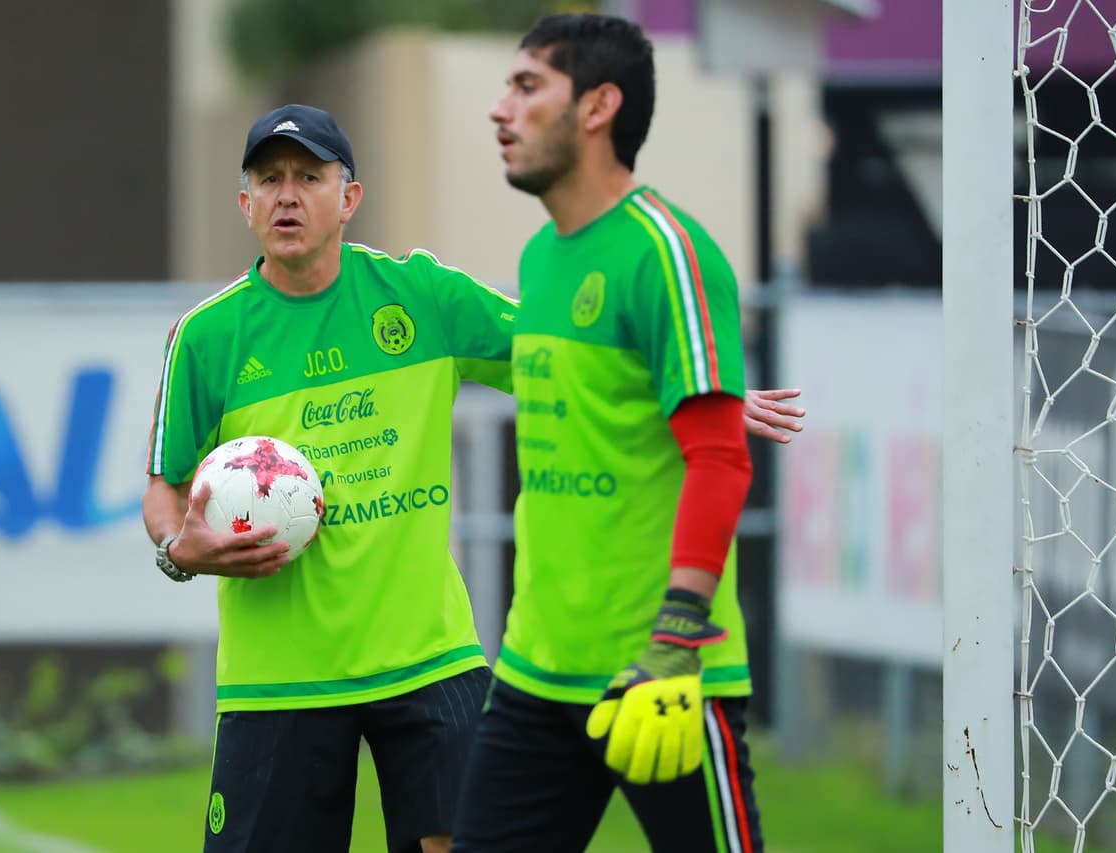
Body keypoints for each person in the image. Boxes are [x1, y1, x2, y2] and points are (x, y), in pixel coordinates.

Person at [143, 102, 798, 853]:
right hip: (276, 680)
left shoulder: (420, 296)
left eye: (308, 177)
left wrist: (693, 379)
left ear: (348, 198)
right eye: (269, 179)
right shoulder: (206, 336)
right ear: (245, 203)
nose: (287, 195)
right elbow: (164, 488)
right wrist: (177, 549)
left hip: (430, 660)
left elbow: (565, 352)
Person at [452, 13, 772, 852]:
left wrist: (676, 636)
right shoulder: (538, 258)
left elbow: (721, 456)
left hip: (663, 678)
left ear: (598, 106)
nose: (500, 110)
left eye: (526, 87)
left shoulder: (667, 253)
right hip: (535, 671)